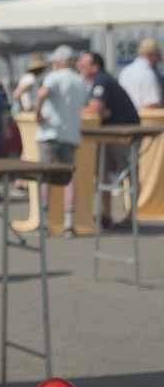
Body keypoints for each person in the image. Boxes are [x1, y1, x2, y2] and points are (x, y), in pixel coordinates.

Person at [76, 51, 140, 229]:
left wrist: (81, 109)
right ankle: (107, 215)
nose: (79, 67)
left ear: (95, 67)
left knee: (129, 174)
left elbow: (93, 110)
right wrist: (95, 109)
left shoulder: (102, 81)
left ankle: (131, 216)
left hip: (124, 136)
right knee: (104, 174)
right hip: (110, 135)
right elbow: (95, 109)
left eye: (83, 64)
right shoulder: (95, 82)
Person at [34, 44, 87, 238]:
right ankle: (69, 223)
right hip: (70, 134)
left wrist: (37, 114)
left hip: (50, 132)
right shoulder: (80, 80)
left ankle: (43, 222)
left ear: (58, 62)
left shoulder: (54, 77)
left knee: (45, 177)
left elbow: (42, 93)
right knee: (68, 178)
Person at [118, 38, 161, 110]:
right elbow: (152, 105)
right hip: (141, 116)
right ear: (154, 55)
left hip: (126, 116)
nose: (157, 61)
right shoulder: (148, 74)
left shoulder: (125, 71)